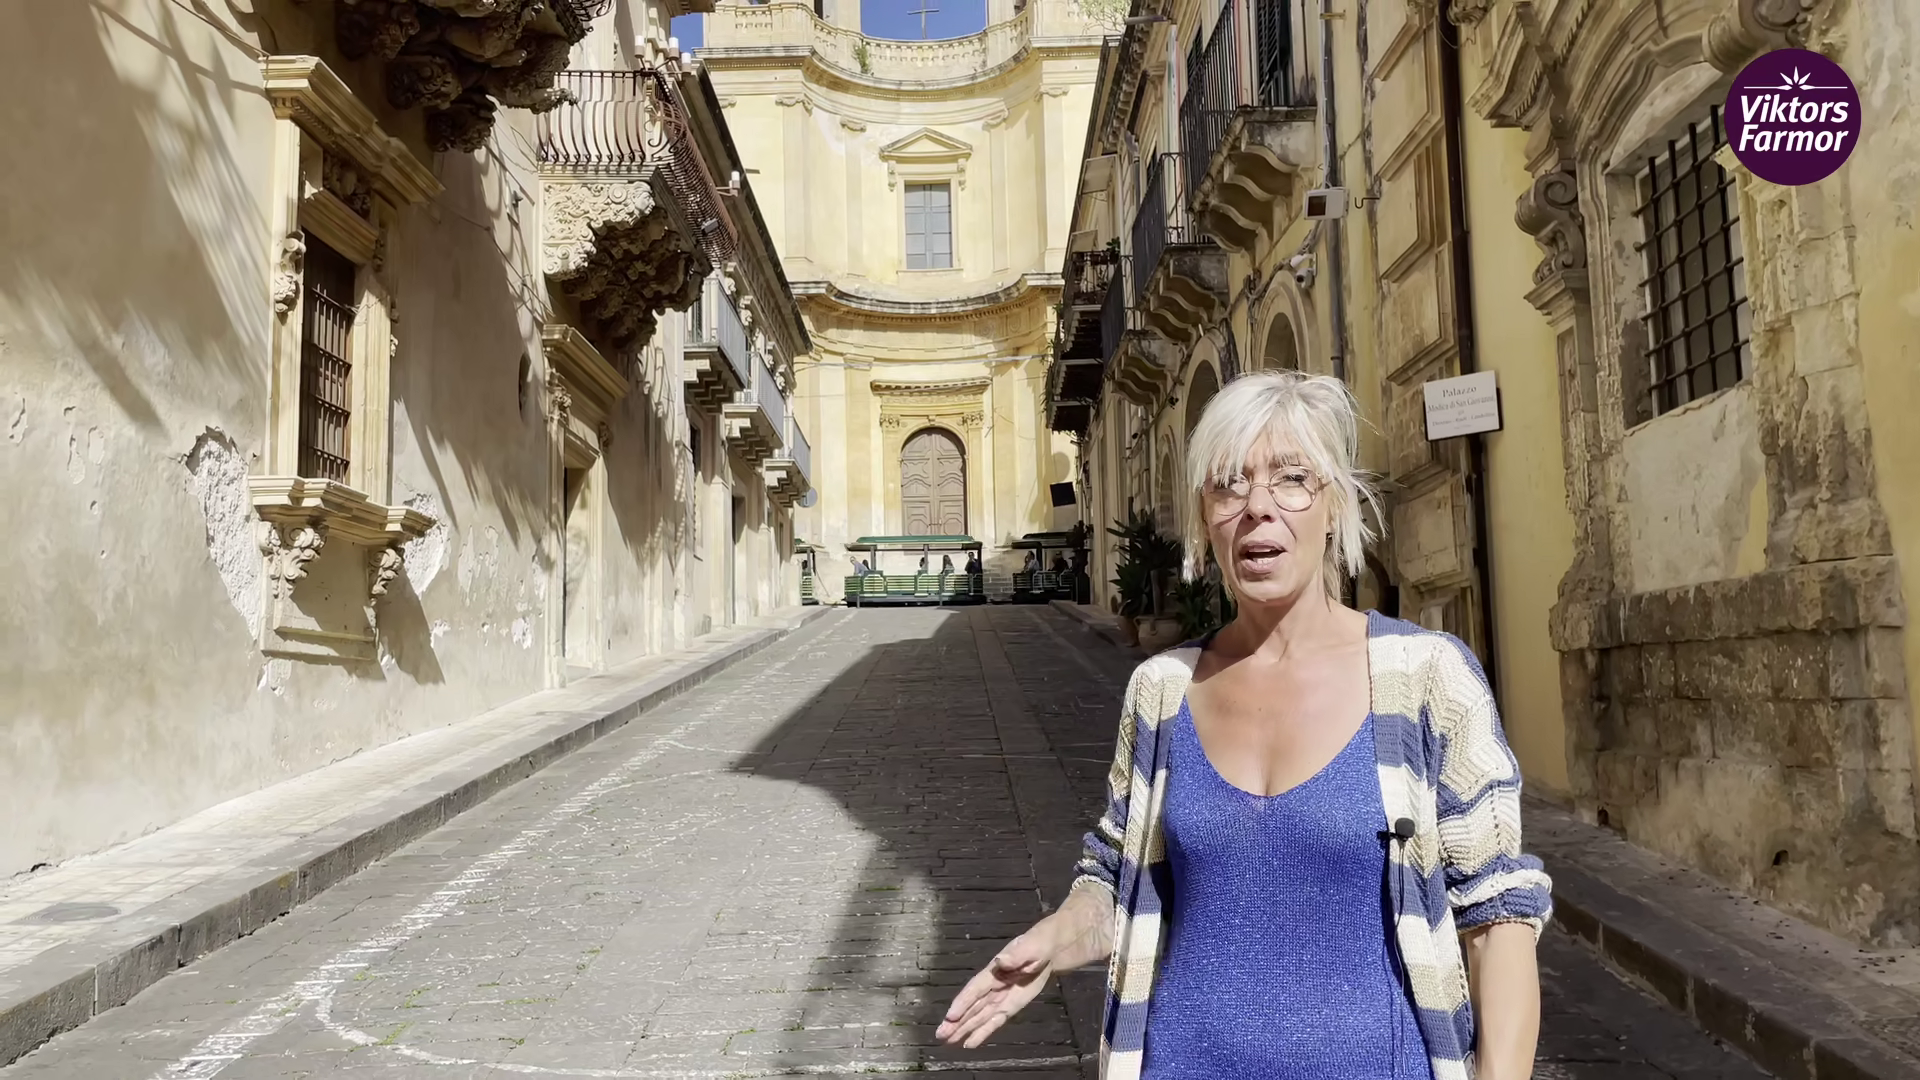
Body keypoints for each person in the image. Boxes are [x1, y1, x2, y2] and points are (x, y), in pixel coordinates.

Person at [937, 371, 1551, 1080]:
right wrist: (1057, 937)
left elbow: (1497, 920)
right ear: (1206, 520)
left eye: (1292, 479)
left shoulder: (1428, 679)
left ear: (1334, 506)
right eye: (1229, 485)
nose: (1258, 507)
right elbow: (1116, 875)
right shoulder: (1161, 691)